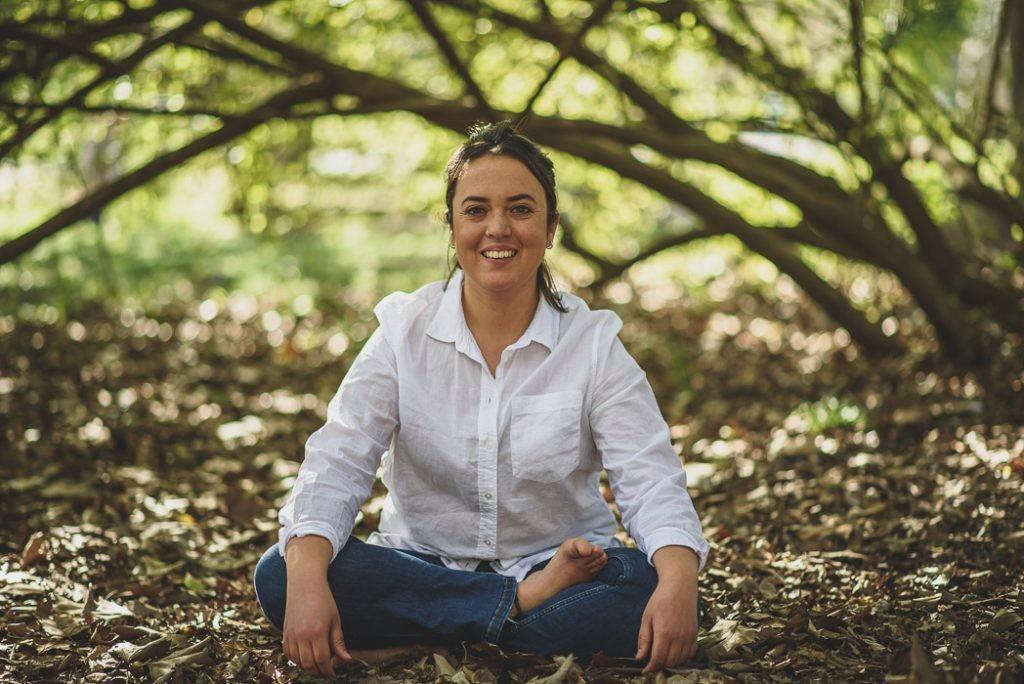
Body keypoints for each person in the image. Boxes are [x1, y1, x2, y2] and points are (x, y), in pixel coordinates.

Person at [252, 120, 711, 680]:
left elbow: (649, 477)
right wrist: (306, 579)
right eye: (476, 210)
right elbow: (339, 459)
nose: (498, 228)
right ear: (452, 227)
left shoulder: (592, 343)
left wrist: (679, 583)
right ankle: (515, 609)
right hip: (421, 565)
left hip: (560, 566)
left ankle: (424, 636)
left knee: (643, 583)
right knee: (284, 571)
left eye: (520, 209)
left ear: (551, 228)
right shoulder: (403, 331)